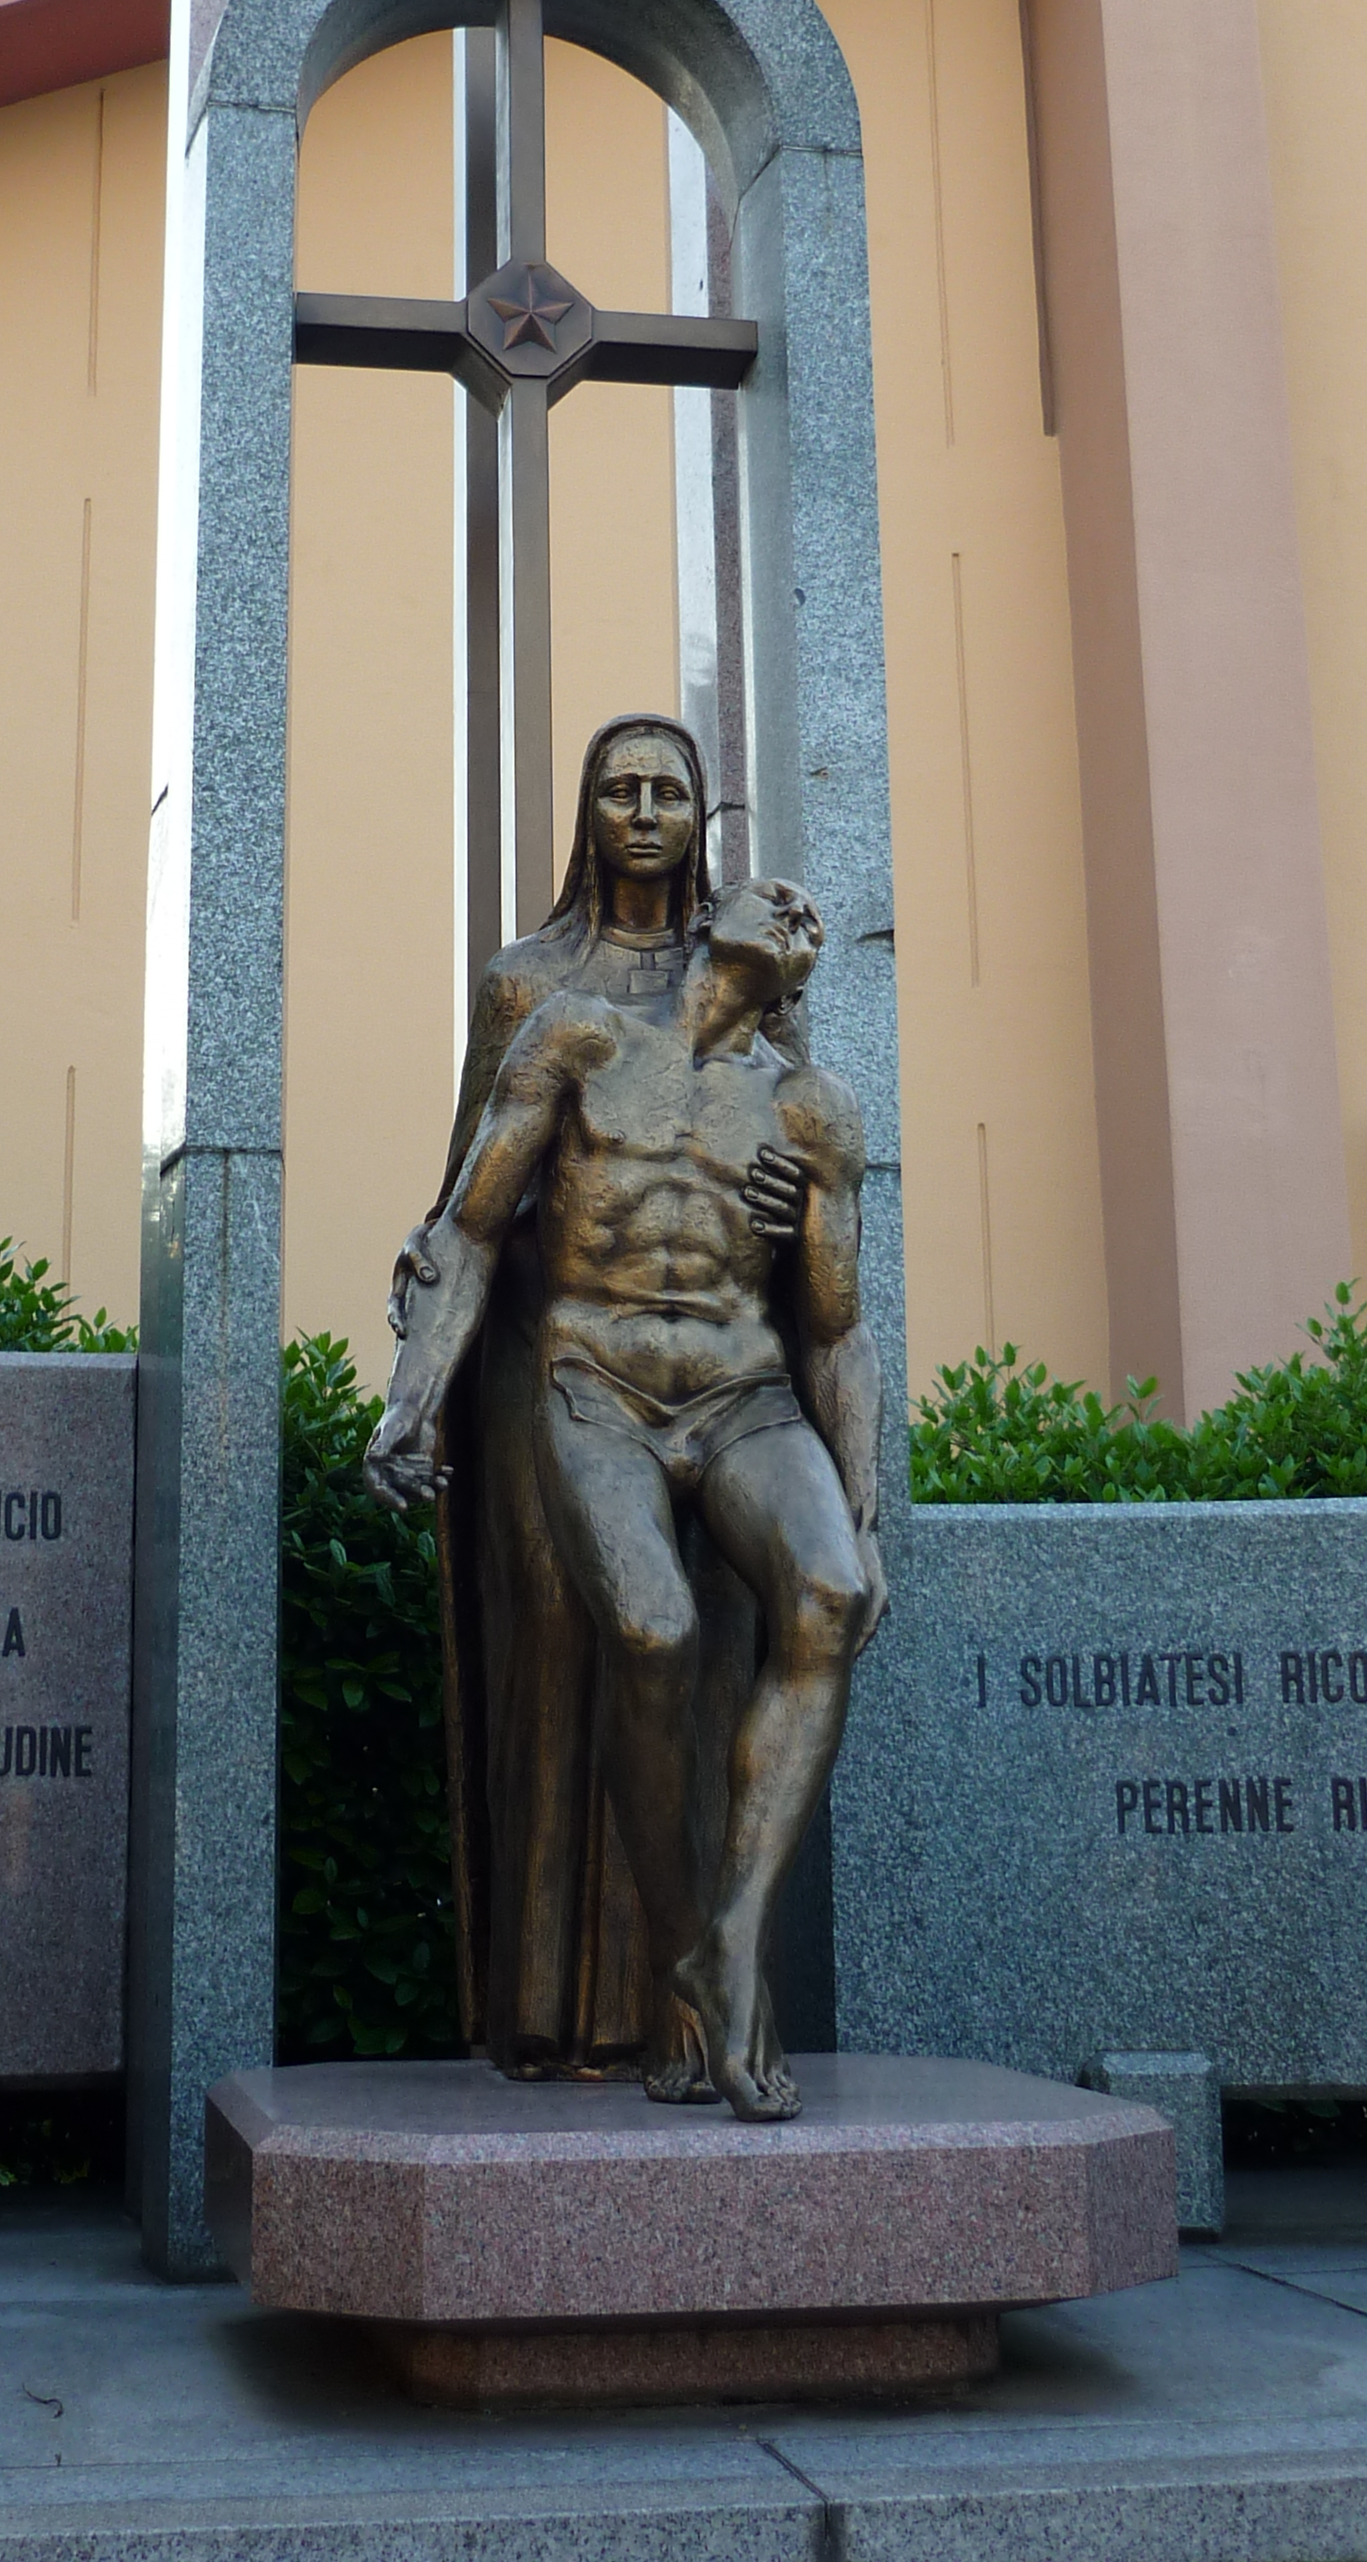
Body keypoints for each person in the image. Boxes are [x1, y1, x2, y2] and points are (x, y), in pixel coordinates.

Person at [370, 879, 885, 2121]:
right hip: (590, 1381)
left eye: (811, 919)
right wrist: (411, 1396)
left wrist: (863, 1507)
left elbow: (834, 1332)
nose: (798, 911)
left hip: (742, 1390)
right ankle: (685, 1943)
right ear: (713, 924)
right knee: (651, 1633)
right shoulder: (580, 1038)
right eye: (771, 899)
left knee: (831, 1594)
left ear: (803, 978)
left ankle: (728, 1939)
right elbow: (474, 1231)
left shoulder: (812, 1114)